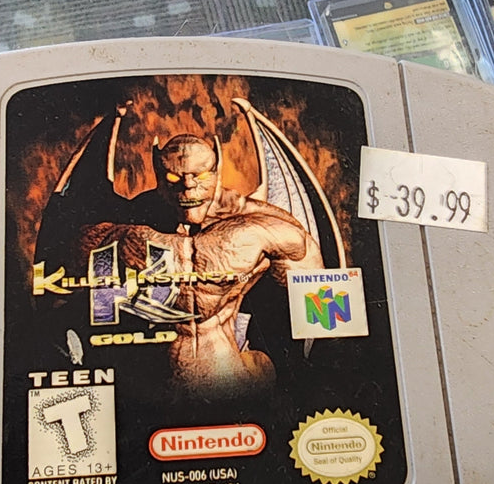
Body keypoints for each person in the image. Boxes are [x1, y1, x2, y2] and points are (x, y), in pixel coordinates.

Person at [76, 133, 326, 396]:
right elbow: (65, 296)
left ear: (217, 171)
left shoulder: (261, 228)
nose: (188, 186)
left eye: (202, 175)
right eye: (174, 177)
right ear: (158, 174)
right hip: (144, 388)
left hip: (230, 376)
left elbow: (325, 307)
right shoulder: (120, 230)